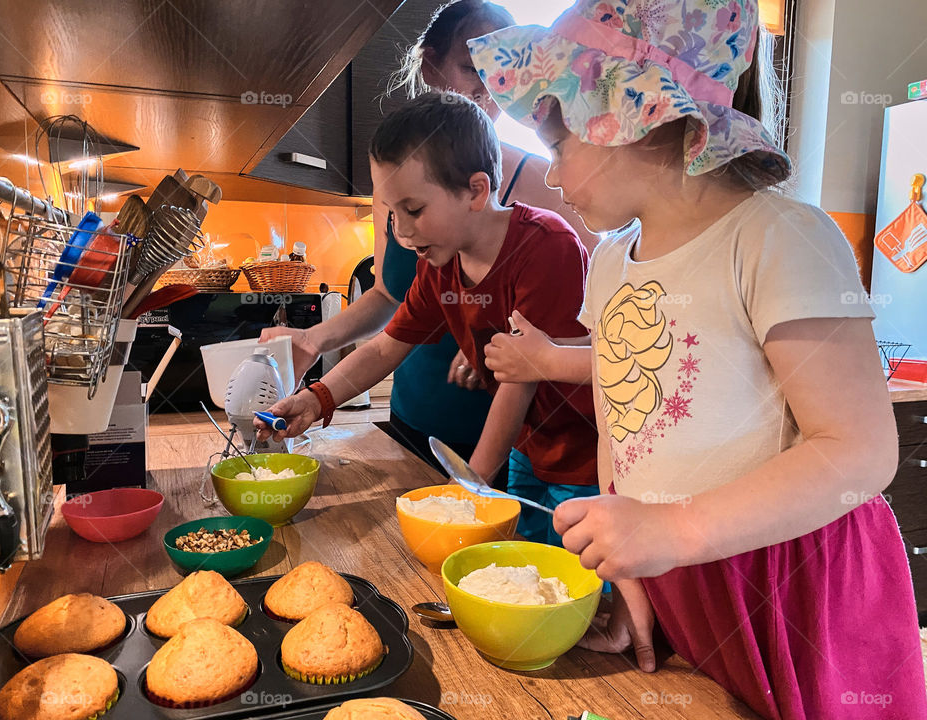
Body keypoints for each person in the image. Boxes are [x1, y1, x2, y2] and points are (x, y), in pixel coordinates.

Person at [472, 1, 927, 718]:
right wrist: (633, 563)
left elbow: (861, 451)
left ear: (641, 115)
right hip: (685, 576)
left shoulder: (781, 237)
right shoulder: (611, 262)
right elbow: (623, 420)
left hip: (790, 579)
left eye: (560, 144)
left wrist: (675, 529)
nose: (551, 175)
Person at [261, 1, 598, 482]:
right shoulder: (440, 260)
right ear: (431, 63)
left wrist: (470, 488)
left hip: (578, 458)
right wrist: (317, 400)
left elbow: (520, 382)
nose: (400, 231)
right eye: (393, 213)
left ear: (477, 191)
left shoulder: (548, 243)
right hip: (518, 447)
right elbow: (385, 346)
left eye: (413, 212)